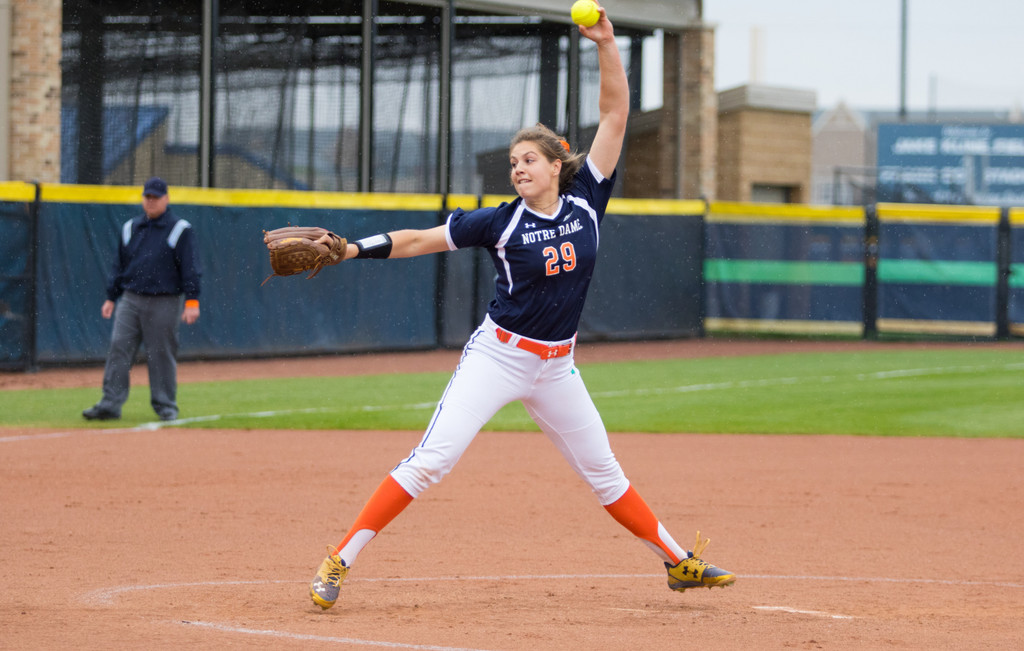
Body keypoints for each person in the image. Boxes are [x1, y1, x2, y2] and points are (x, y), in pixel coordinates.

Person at [309, 8, 734, 610]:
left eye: (529, 159)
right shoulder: (499, 221)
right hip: (499, 356)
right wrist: (353, 249)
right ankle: (338, 559)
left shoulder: (587, 198)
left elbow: (615, 113)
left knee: (605, 474)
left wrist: (606, 44)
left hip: (557, 367)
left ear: (557, 165)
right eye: (513, 162)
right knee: (432, 459)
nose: (518, 168)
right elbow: (419, 240)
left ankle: (676, 564)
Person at [82, 177, 202, 423]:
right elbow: (120, 265)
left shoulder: (180, 229)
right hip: (131, 298)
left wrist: (192, 301)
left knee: (160, 354)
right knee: (118, 347)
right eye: (147, 197)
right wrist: (111, 297)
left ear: (166, 199)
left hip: (165, 300)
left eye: (156, 197)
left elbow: (190, 268)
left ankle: (165, 405)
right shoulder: (131, 228)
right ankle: (110, 403)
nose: (151, 202)